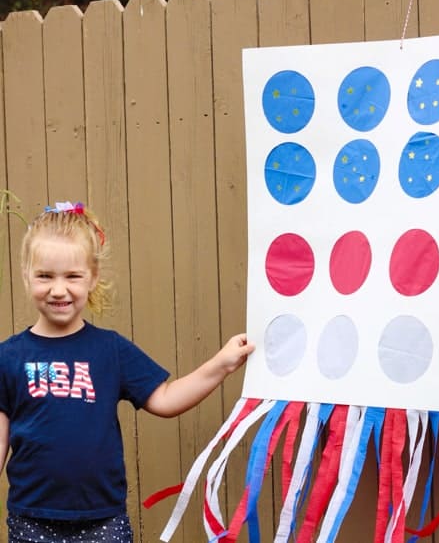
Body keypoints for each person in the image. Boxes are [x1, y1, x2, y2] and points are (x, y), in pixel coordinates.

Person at [0, 201, 254, 543]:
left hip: (103, 521)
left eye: (72, 276)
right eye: (45, 276)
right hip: (32, 521)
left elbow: (164, 399)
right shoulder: (8, 357)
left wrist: (220, 365)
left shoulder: (110, 349)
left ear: (92, 278)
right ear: (25, 275)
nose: (58, 289)